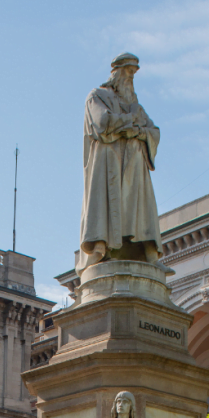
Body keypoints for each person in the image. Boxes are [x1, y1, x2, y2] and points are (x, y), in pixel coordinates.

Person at [79, 53, 162, 274]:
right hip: (109, 166)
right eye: (127, 71)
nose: (130, 77)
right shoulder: (97, 96)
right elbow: (102, 123)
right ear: (115, 72)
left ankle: (146, 250)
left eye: (133, 73)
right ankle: (100, 247)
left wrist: (136, 131)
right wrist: (129, 122)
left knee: (137, 209)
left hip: (134, 169)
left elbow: (154, 132)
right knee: (108, 208)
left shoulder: (136, 107)